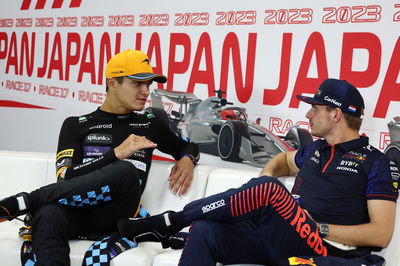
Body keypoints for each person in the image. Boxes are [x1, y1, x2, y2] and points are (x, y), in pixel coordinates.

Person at [116, 78, 399, 266]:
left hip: (323, 247)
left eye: (315, 108)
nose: (308, 114)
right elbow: (284, 161)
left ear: (336, 114)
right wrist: (264, 178)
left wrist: (319, 227)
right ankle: (173, 223)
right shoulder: (315, 150)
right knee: (205, 231)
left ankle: (170, 221)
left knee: (270, 192)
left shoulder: (375, 162)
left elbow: (380, 234)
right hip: (282, 236)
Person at [0, 49, 199, 265]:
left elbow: (187, 147)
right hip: (75, 211)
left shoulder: (150, 124)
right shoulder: (76, 124)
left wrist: (187, 159)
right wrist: (115, 154)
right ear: (112, 83)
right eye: (137, 83)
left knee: (126, 170)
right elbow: (66, 178)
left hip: (117, 214)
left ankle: (23, 202)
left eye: (148, 84)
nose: (145, 91)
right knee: (47, 214)